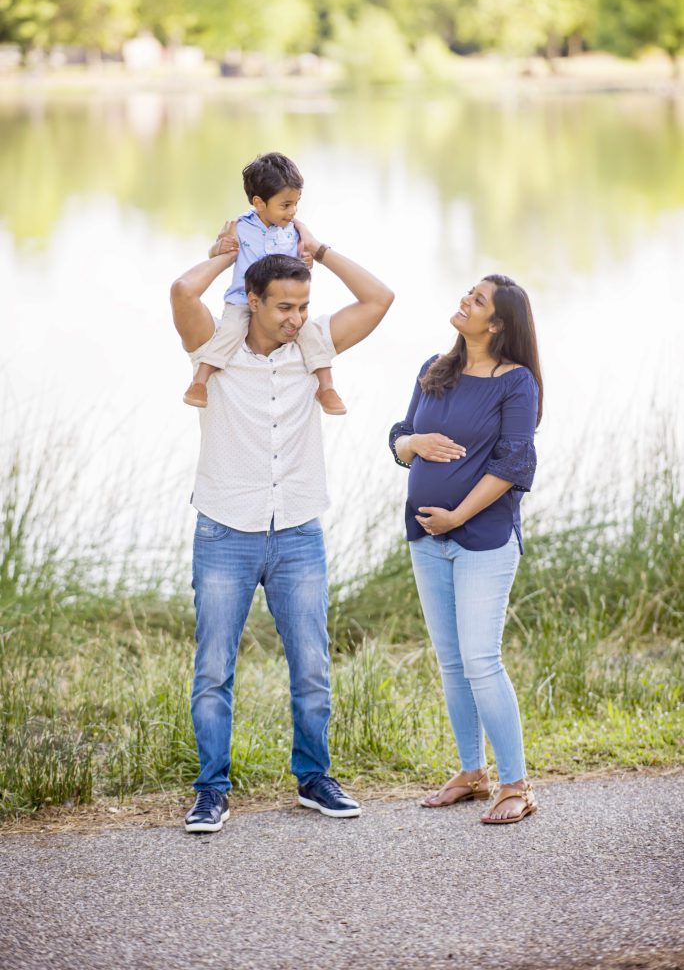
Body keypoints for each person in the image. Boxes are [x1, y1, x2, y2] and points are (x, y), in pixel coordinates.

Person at [170, 220, 394, 832]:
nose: (297, 317)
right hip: (225, 532)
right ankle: (212, 789)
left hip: (298, 531)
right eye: (286, 307)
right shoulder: (212, 350)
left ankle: (314, 778)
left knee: (313, 665)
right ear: (256, 303)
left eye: (304, 306)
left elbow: (379, 299)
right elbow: (181, 293)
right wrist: (224, 257)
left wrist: (318, 250)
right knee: (214, 668)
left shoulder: (314, 347)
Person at [389, 275, 543, 825]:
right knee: (452, 664)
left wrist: (457, 515)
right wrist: (414, 445)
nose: (464, 302)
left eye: (477, 301)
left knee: (481, 661)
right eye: (468, 294)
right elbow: (399, 437)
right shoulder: (436, 368)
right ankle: (472, 772)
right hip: (426, 539)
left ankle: (516, 784)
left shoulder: (516, 382)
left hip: (483, 540)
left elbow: (513, 464)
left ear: (497, 325)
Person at [183, 152, 346, 416]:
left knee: (310, 335)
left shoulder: (294, 230)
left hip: (281, 302)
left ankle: (326, 387)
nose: (292, 211)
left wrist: (307, 259)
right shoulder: (240, 226)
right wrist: (218, 248)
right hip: (242, 297)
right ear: (259, 203)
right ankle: (199, 382)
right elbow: (219, 251)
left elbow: (300, 264)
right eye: (285, 205)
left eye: (296, 203)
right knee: (229, 333)